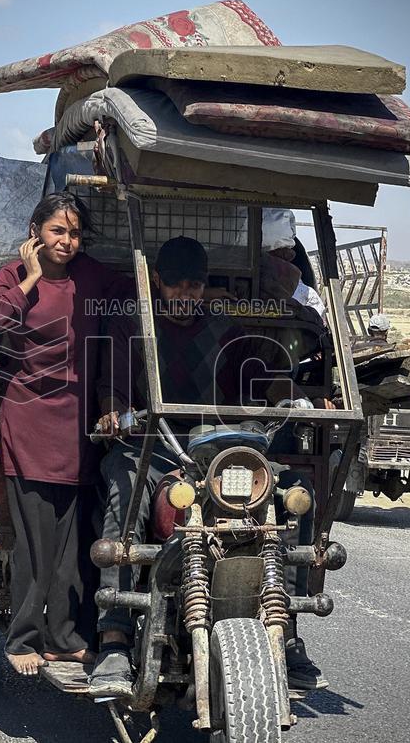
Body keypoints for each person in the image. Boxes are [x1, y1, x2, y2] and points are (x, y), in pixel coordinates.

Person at [88, 235, 328, 697]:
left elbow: (266, 375)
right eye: (176, 285)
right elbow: (111, 384)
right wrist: (112, 412)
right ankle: (114, 637)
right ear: (157, 282)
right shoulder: (132, 325)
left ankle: (290, 631)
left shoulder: (227, 326)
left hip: (219, 451)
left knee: (295, 495)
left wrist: (292, 398)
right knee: (123, 484)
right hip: (154, 445)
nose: (186, 295)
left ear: (205, 285)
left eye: (195, 286)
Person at [0, 192, 129, 677]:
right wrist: (32, 278)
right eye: (58, 230)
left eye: (75, 232)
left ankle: (65, 639)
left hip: (79, 426)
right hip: (29, 422)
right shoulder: (11, 277)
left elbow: (135, 288)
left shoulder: (93, 276)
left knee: (73, 547)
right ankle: (22, 638)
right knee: (35, 544)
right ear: (36, 230)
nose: (67, 241)